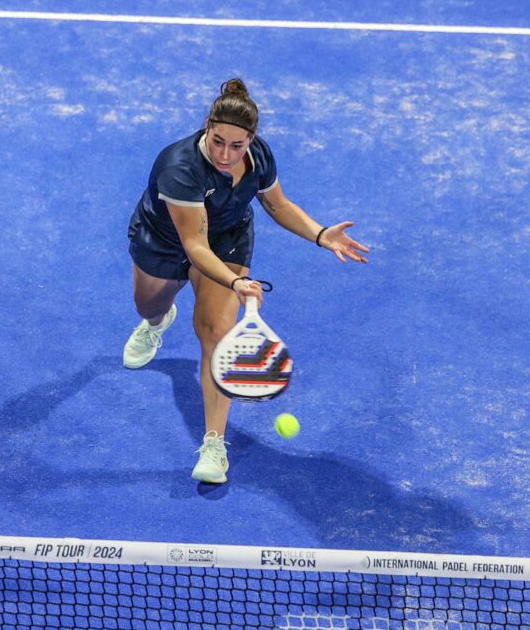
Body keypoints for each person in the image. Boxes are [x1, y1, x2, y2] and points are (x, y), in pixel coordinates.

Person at [123, 78, 369, 484]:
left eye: (236, 146)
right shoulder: (179, 167)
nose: (225, 154)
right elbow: (194, 246)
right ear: (207, 127)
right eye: (218, 141)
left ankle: (214, 444)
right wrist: (237, 284)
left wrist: (321, 234)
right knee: (148, 306)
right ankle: (157, 323)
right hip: (165, 239)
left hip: (228, 239)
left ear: (251, 140)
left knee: (215, 333)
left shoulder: (258, 157)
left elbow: (278, 205)